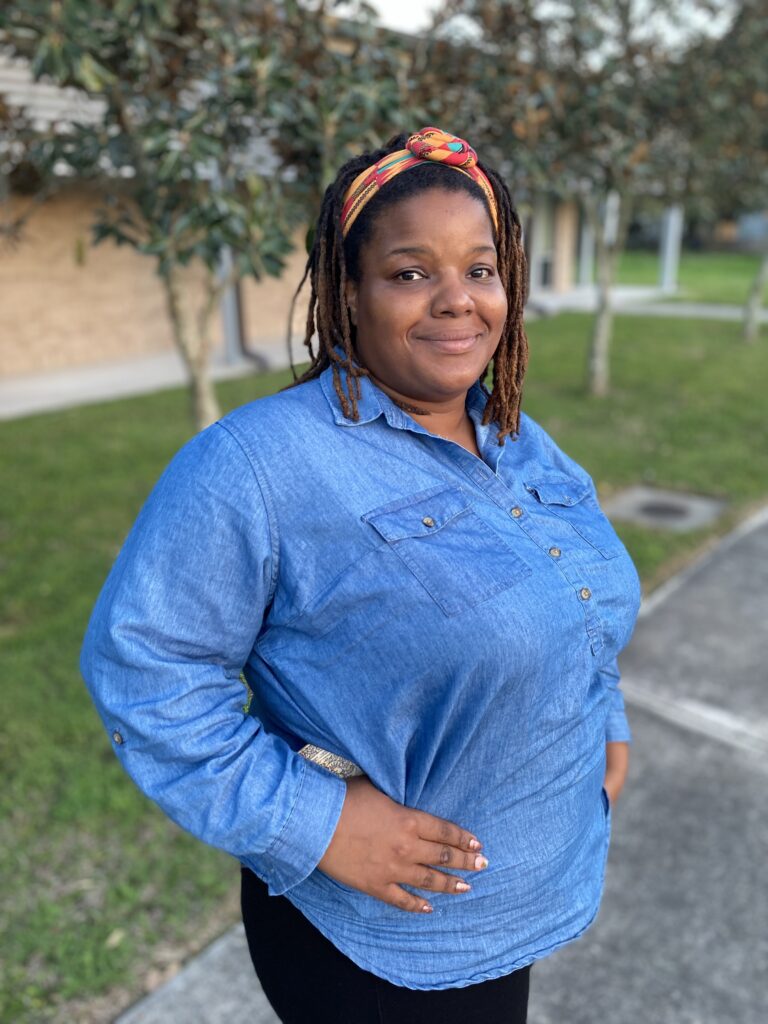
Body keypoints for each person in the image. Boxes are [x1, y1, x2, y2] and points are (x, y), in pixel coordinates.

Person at [80, 127, 641, 1024]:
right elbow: (146, 670)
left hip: (525, 904)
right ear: (349, 292)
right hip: (387, 947)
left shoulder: (514, 438)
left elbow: (578, 592)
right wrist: (317, 820)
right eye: (411, 272)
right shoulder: (257, 465)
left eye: (481, 270)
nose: (458, 301)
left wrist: (603, 718)